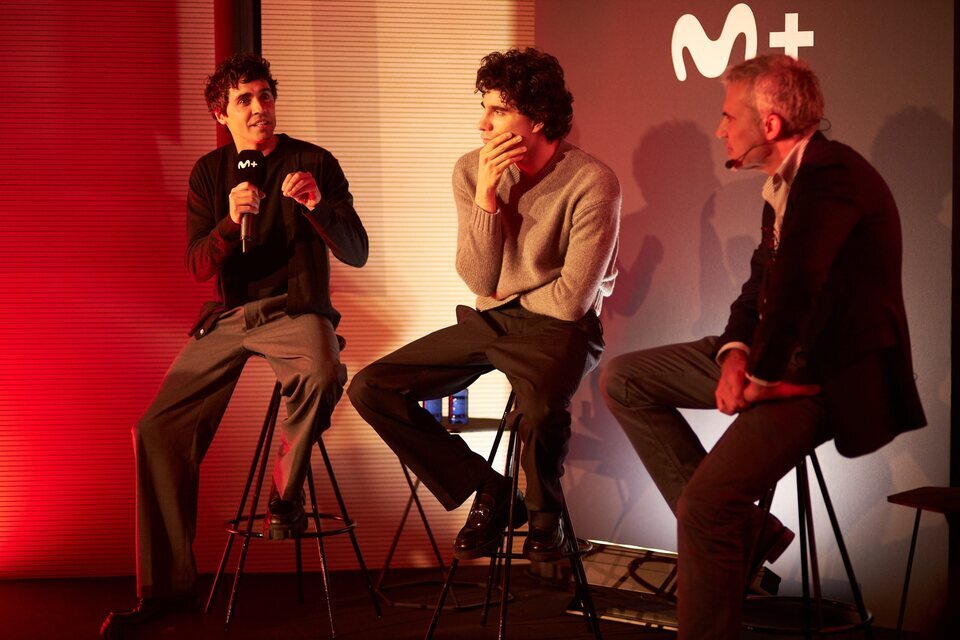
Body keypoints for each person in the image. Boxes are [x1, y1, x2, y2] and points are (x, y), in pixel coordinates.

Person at [601, 54, 926, 639]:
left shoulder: (831, 177)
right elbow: (760, 289)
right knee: (623, 377)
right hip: (776, 361)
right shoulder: (782, 184)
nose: (721, 128)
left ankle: (727, 529)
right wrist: (733, 356)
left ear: (770, 124)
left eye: (729, 116)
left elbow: (800, 286)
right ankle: (750, 531)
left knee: (704, 509)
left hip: (823, 379)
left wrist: (763, 377)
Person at [101, 53, 367, 637]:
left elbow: (356, 251)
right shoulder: (210, 172)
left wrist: (318, 206)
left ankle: (284, 497)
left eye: (265, 96)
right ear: (222, 114)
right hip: (228, 317)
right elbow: (199, 265)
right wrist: (228, 222)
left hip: (297, 311)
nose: (259, 108)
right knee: (156, 429)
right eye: (244, 100)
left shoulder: (312, 162)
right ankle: (168, 590)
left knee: (323, 373)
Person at [348, 48, 620, 563]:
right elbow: (477, 278)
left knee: (539, 409)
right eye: (484, 107)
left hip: (563, 329)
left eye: (497, 110)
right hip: (493, 321)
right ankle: (492, 491)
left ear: (536, 119)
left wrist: (507, 290)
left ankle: (546, 519)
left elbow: (570, 301)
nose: (482, 123)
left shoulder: (592, 182)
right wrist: (487, 198)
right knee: (372, 388)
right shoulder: (472, 171)